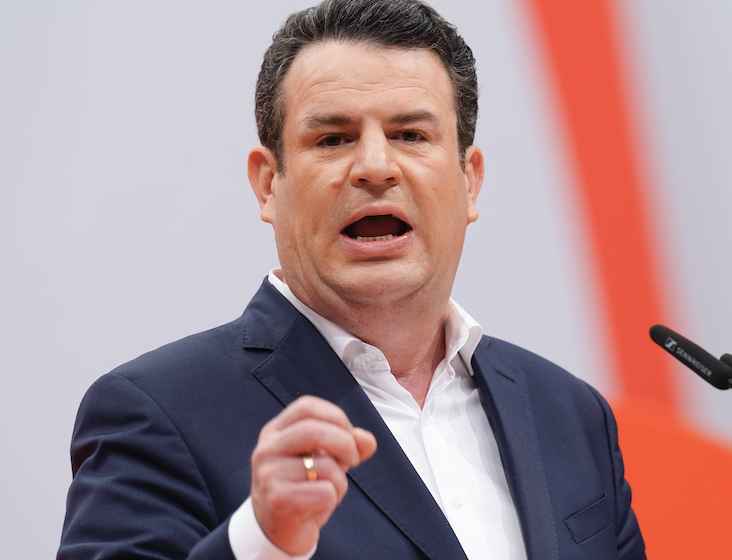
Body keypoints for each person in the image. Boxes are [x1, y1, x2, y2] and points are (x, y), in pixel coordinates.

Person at [57, 1, 646, 559]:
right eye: (332, 139)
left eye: (410, 135)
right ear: (267, 184)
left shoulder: (569, 414)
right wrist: (262, 539)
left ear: (469, 181)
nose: (375, 167)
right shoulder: (160, 411)